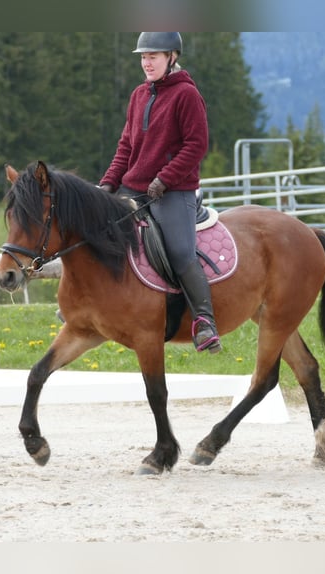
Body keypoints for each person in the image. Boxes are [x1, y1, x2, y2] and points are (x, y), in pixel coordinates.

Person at [98, 32, 221, 353]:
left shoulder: (187, 95)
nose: (146, 62)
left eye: (153, 56)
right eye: (143, 57)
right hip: (135, 187)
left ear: (172, 57)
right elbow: (126, 145)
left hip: (174, 191)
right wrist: (108, 183)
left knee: (180, 252)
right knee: (100, 233)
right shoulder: (139, 95)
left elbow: (196, 146)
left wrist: (164, 180)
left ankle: (204, 321)